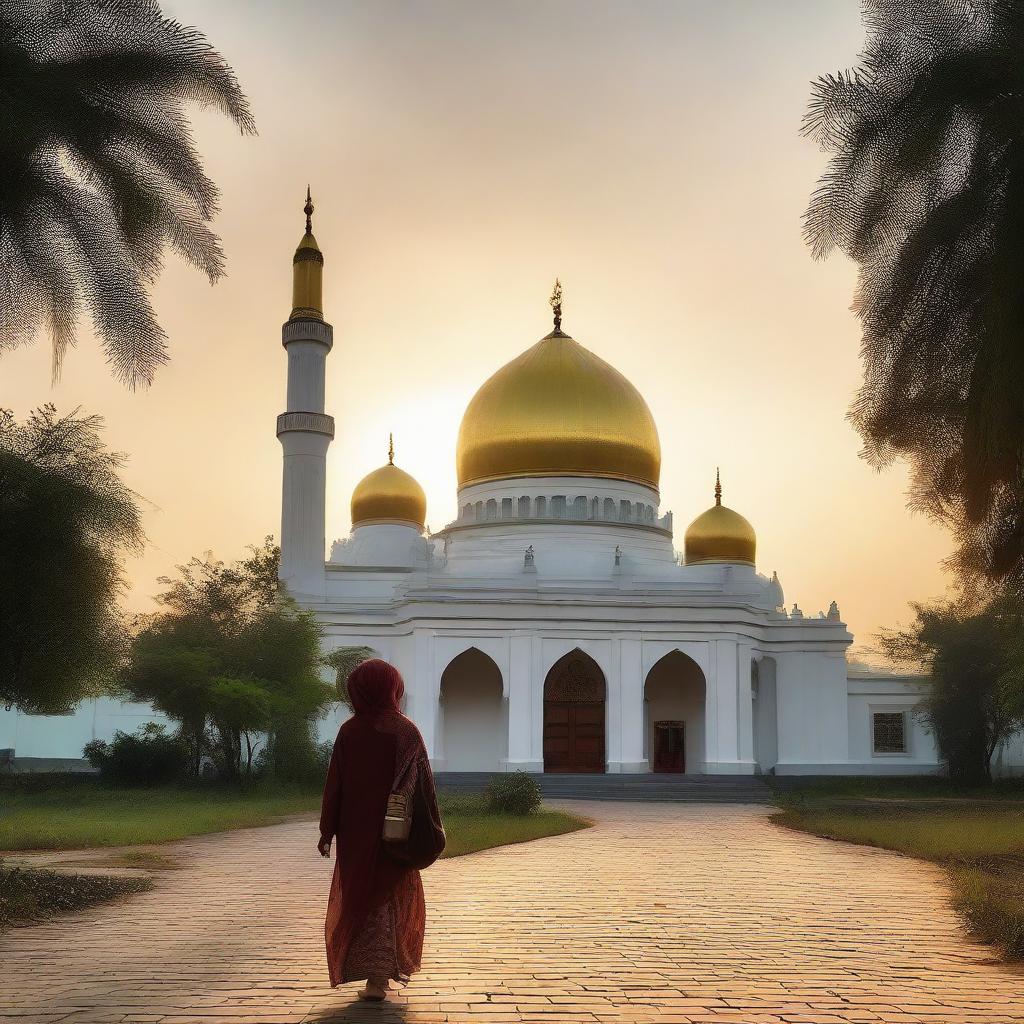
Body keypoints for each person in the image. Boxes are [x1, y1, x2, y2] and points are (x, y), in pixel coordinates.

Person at [318, 659, 446, 1001]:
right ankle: (380, 979)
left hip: (355, 835)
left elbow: (335, 785)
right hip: (395, 835)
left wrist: (327, 830)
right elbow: (423, 788)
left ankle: (368, 976)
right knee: (390, 898)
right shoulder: (406, 731)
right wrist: (431, 828)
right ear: (393, 688)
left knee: (359, 895)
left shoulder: (349, 731)